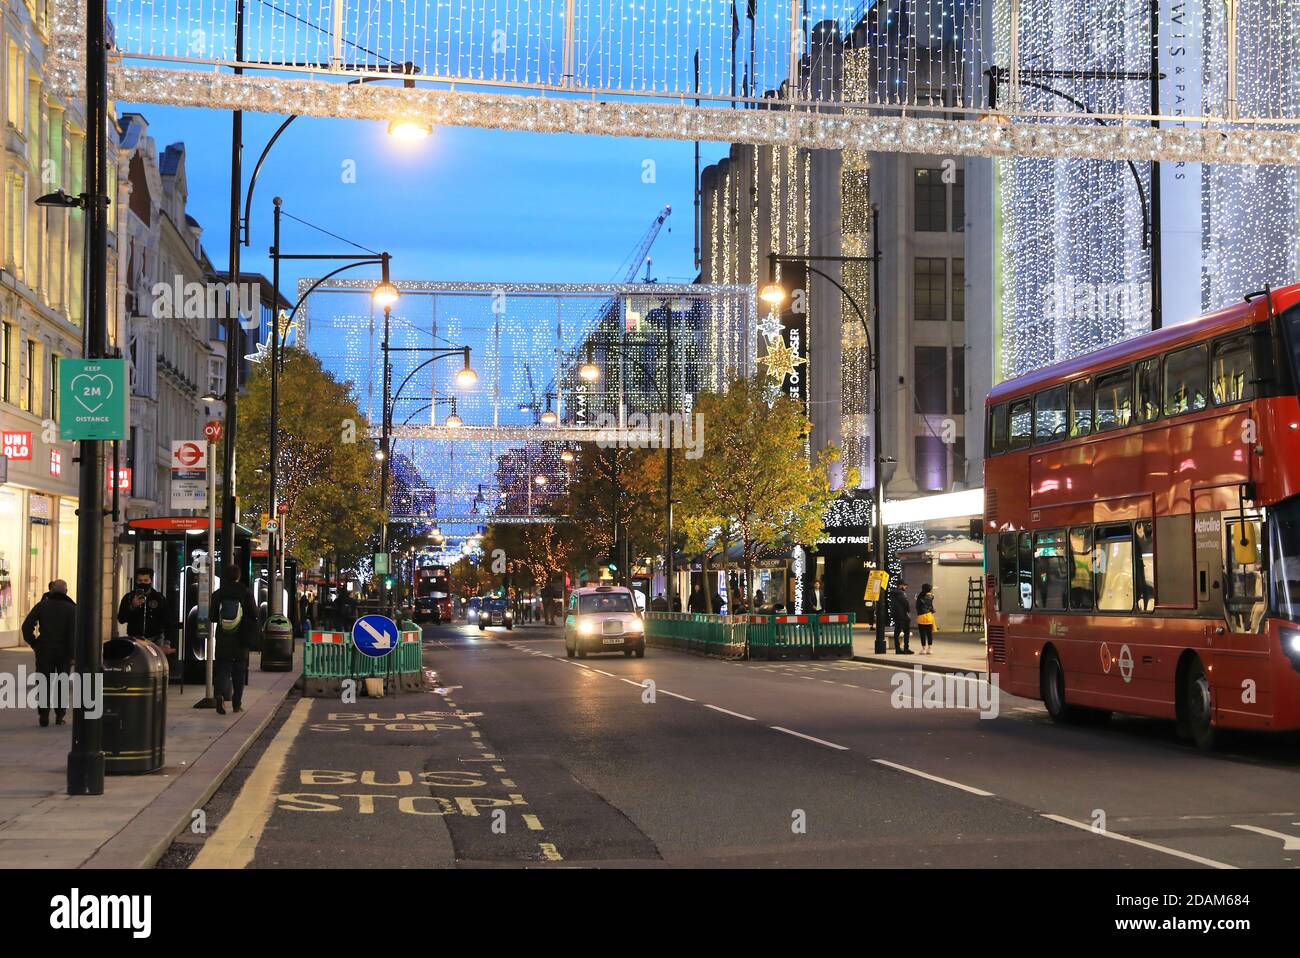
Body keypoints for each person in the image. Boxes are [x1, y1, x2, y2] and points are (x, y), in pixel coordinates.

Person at [21, 580, 76, 727]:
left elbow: (26, 627)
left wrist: (34, 643)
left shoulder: (42, 606)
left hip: (44, 649)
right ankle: (59, 716)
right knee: (62, 683)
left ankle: (44, 715)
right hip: (64, 652)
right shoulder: (72, 609)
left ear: (52, 591)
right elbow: (73, 634)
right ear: (66, 591)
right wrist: (72, 655)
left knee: (44, 682)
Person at [210, 565, 259, 715]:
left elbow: (212, 616)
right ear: (238, 576)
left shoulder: (218, 593)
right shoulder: (246, 592)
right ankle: (236, 704)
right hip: (241, 637)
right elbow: (254, 613)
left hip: (224, 637)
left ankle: (219, 695)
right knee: (239, 673)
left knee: (223, 669)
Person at [117, 566, 173, 654]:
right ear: (136, 581)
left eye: (146, 580)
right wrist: (132, 606)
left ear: (151, 581)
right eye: (140, 580)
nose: (143, 583)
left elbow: (167, 621)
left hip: (156, 639)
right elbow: (121, 619)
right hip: (135, 639)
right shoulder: (129, 597)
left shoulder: (159, 598)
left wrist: (167, 642)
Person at [890, 581, 913, 654]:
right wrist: (908, 611)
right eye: (905, 586)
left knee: (897, 632)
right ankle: (906, 648)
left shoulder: (893, 593)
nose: (906, 587)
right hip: (903, 615)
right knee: (906, 632)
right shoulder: (901, 593)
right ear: (900, 586)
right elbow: (905, 603)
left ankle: (897, 649)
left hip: (896, 615)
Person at [916, 582, 937, 655]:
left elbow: (918, 606)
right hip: (929, 616)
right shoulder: (931, 596)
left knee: (922, 634)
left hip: (921, 617)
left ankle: (923, 649)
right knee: (929, 633)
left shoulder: (919, 596)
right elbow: (930, 606)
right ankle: (930, 648)